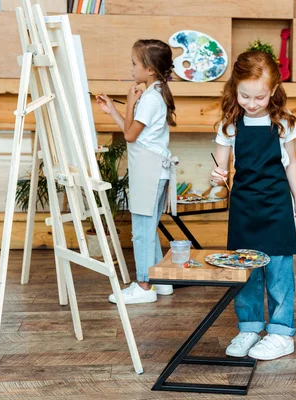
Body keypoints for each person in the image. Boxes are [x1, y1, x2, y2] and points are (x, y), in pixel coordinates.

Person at [211, 50, 296, 360]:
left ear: (274, 90)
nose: (251, 104)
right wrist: (216, 177)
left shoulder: (283, 122)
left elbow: (291, 165)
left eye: (260, 97)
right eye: (245, 96)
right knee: (246, 269)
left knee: (279, 272)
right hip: (243, 205)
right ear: (235, 89)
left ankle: (281, 333)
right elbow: (220, 169)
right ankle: (250, 327)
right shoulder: (229, 124)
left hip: (276, 204)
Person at [96, 39, 176, 304]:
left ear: (150, 69)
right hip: (152, 171)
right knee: (148, 227)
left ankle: (143, 286)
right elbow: (137, 135)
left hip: (149, 172)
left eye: (134, 63)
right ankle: (160, 282)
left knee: (142, 230)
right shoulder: (154, 95)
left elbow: (130, 136)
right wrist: (113, 111)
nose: (131, 68)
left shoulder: (150, 98)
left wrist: (130, 102)